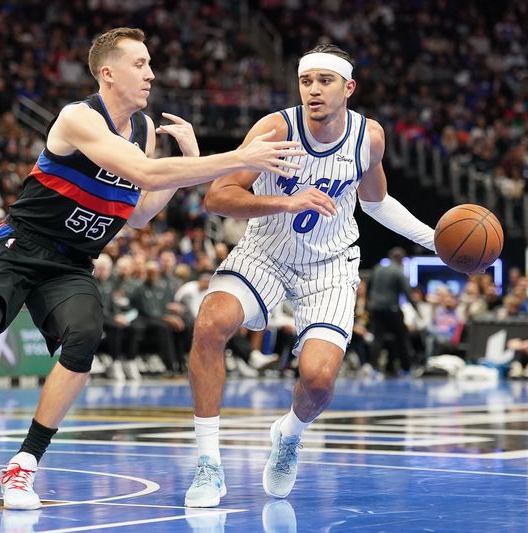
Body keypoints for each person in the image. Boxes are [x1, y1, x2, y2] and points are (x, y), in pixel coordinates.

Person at [0, 27, 303, 511]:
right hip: (17, 252)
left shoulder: (146, 130)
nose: (151, 73)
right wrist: (232, 157)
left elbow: (142, 210)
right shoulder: (78, 118)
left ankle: (23, 463)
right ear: (108, 73)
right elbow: (146, 172)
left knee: (85, 338)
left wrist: (192, 162)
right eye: (140, 64)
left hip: (72, 265)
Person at [184, 44, 436, 508]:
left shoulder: (370, 137)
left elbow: (376, 202)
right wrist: (284, 200)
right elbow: (218, 197)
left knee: (318, 380)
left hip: (330, 265)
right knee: (209, 324)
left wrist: (434, 240)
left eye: (325, 81)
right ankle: (208, 465)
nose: (314, 90)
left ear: (348, 88)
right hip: (266, 251)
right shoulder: (275, 129)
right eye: (306, 81)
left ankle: (290, 434)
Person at [366, 247, 417, 376]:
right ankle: (406, 368)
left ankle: (373, 368)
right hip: (391, 309)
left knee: (377, 338)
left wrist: (370, 302)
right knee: (402, 336)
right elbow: (407, 293)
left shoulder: (377, 268)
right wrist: (416, 309)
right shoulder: (398, 272)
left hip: (376, 308)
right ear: (401, 259)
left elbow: (368, 286)